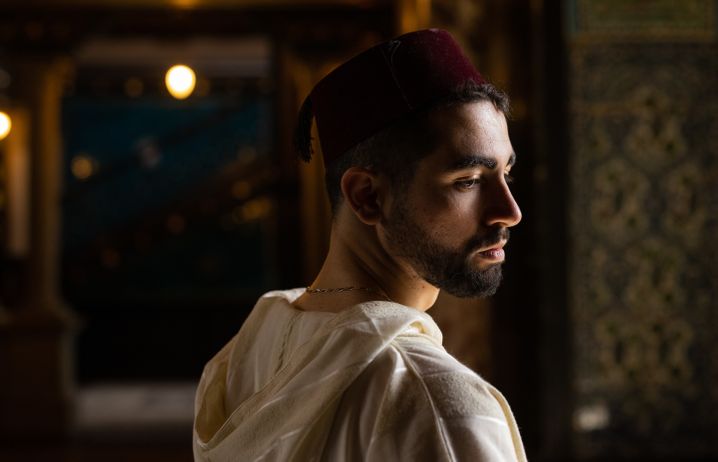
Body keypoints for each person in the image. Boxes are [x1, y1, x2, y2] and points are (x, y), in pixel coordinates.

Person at [193, 29, 526, 461]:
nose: (510, 210)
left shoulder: (242, 358)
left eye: (507, 174)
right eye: (468, 181)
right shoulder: (438, 404)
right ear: (368, 197)